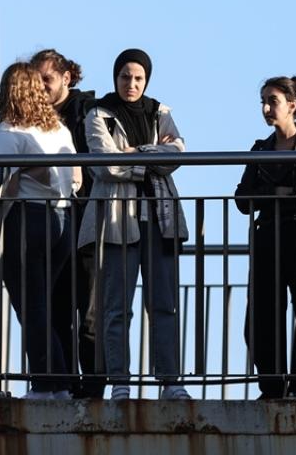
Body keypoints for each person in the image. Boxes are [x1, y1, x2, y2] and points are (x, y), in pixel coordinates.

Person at [0, 62, 80, 399]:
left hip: (28, 222)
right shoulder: (59, 131)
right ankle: (61, 385)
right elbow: (72, 181)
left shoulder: (9, 135)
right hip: (63, 224)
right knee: (46, 307)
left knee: (31, 306)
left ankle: (46, 385)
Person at [77, 49, 190, 401]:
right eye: (126, 76)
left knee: (164, 304)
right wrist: (151, 154)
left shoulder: (161, 111)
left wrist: (132, 152)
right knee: (115, 307)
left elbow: (179, 155)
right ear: (115, 77)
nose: (132, 83)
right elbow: (105, 165)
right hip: (115, 219)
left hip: (159, 218)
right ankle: (120, 382)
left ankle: (170, 382)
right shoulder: (98, 113)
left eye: (139, 78)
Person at [234, 75, 296, 399]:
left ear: (293, 106)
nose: (267, 108)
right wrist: (278, 193)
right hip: (268, 238)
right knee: (261, 317)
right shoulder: (261, 148)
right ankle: (272, 386)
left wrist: (271, 194)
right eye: (263, 101)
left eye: (273, 101)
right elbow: (241, 199)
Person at [28, 49, 101, 398]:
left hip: (85, 223)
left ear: (66, 78)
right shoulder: (31, 117)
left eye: (47, 80)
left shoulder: (87, 112)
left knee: (88, 315)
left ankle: (94, 388)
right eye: (37, 81)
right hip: (53, 224)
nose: (41, 88)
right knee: (56, 309)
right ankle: (64, 384)